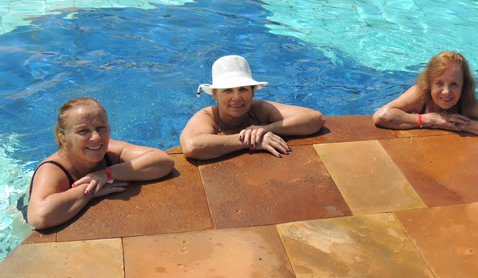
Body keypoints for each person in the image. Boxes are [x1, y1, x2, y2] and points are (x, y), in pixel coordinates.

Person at [26, 97, 175, 229]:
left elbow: (163, 161)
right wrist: (91, 189)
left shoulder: (111, 151)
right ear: (64, 139)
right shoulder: (52, 169)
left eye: (100, 128)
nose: (96, 137)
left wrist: (107, 174)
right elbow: (38, 218)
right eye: (83, 131)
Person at [180, 55, 325, 160]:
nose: (236, 97)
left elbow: (315, 118)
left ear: (253, 92)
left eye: (243, 89)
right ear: (215, 95)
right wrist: (250, 141)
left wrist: (266, 129)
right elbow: (192, 146)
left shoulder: (259, 109)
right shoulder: (208, 116)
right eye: (227, 90)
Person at [373, 51, 478, 142]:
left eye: (454, 84)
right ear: (429, 83)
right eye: (439, 84)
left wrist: (464, 124)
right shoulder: (419, 94)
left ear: (463, 85)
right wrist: (429, 119)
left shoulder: (466, 102)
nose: (446, 92)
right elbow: (382, 116)